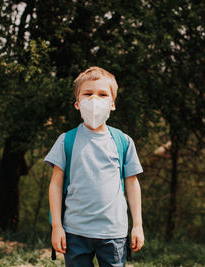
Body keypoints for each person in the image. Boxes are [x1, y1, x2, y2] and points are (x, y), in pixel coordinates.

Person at [45, 66, 144, 267]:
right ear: (77, 103)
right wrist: (56, 226)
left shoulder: (123, 141)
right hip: (75, 232)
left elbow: (132, 184)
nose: (94, 100)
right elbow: (55, 185)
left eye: (102, 94)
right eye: (88, 94)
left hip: (114, 233)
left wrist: (138, 225)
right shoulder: (66, 141)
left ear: (112, 104)